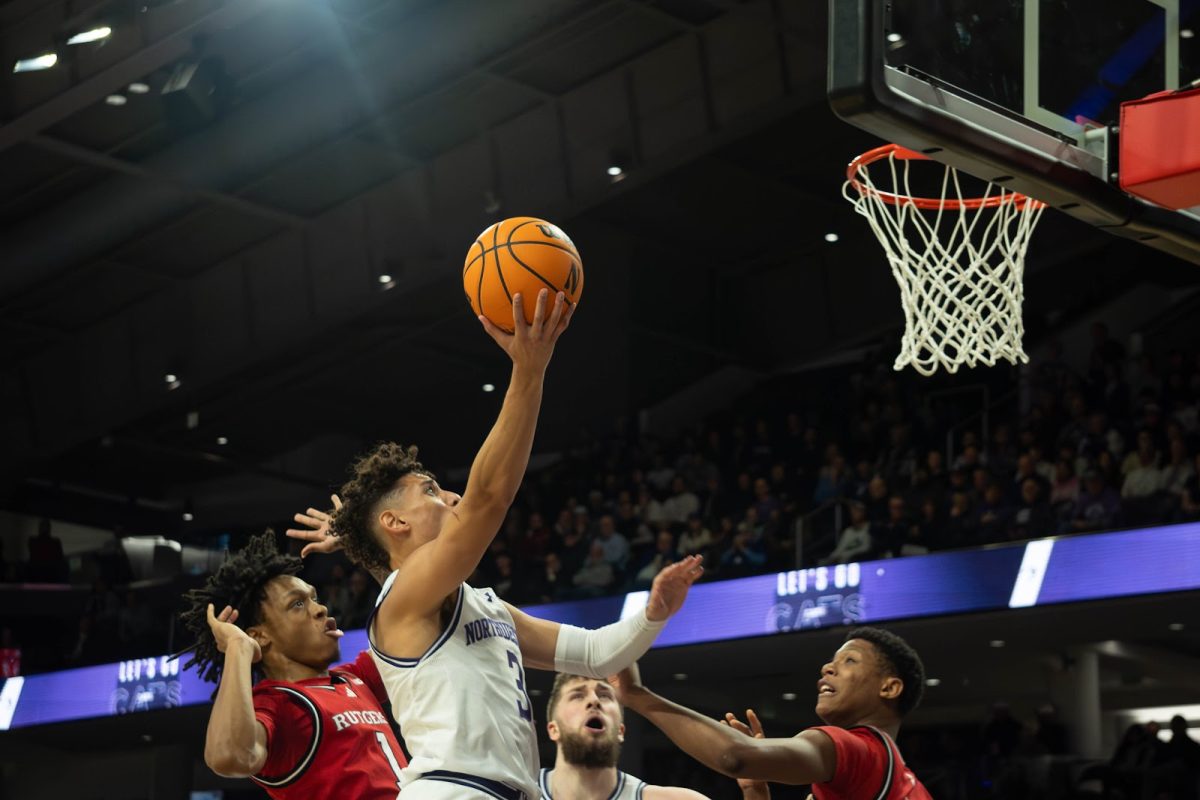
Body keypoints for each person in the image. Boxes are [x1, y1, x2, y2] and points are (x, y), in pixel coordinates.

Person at [289, 290, 704, 800]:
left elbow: (595, 655)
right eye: (432, 490)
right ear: (395, 521)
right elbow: (489, 497)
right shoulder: (404, 598)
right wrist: (529, 370)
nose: (453, 495)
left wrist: (654, 614)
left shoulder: (477, 603)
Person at [178, 531, 407, 800]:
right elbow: (228, 756)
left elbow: (417, 617)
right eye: (297, 604)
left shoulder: (354, 678)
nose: (321, 609)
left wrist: (366, 549)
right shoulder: (276, 703)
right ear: (259, 636)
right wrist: (238, 649)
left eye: (315, 599)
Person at [609, 627, 933, 799]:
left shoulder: (858, 750)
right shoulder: (905, 782)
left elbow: (733, 755)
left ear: (889, 688)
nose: (827, 668)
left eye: (850, 661)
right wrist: (755, 790)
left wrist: (637, 697)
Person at [539, 672, 767, 800]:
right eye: (577, 696)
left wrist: (754, 792)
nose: (594, 701)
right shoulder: (512, 791)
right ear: (553, 729)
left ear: (621, 731)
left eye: (605, 695)